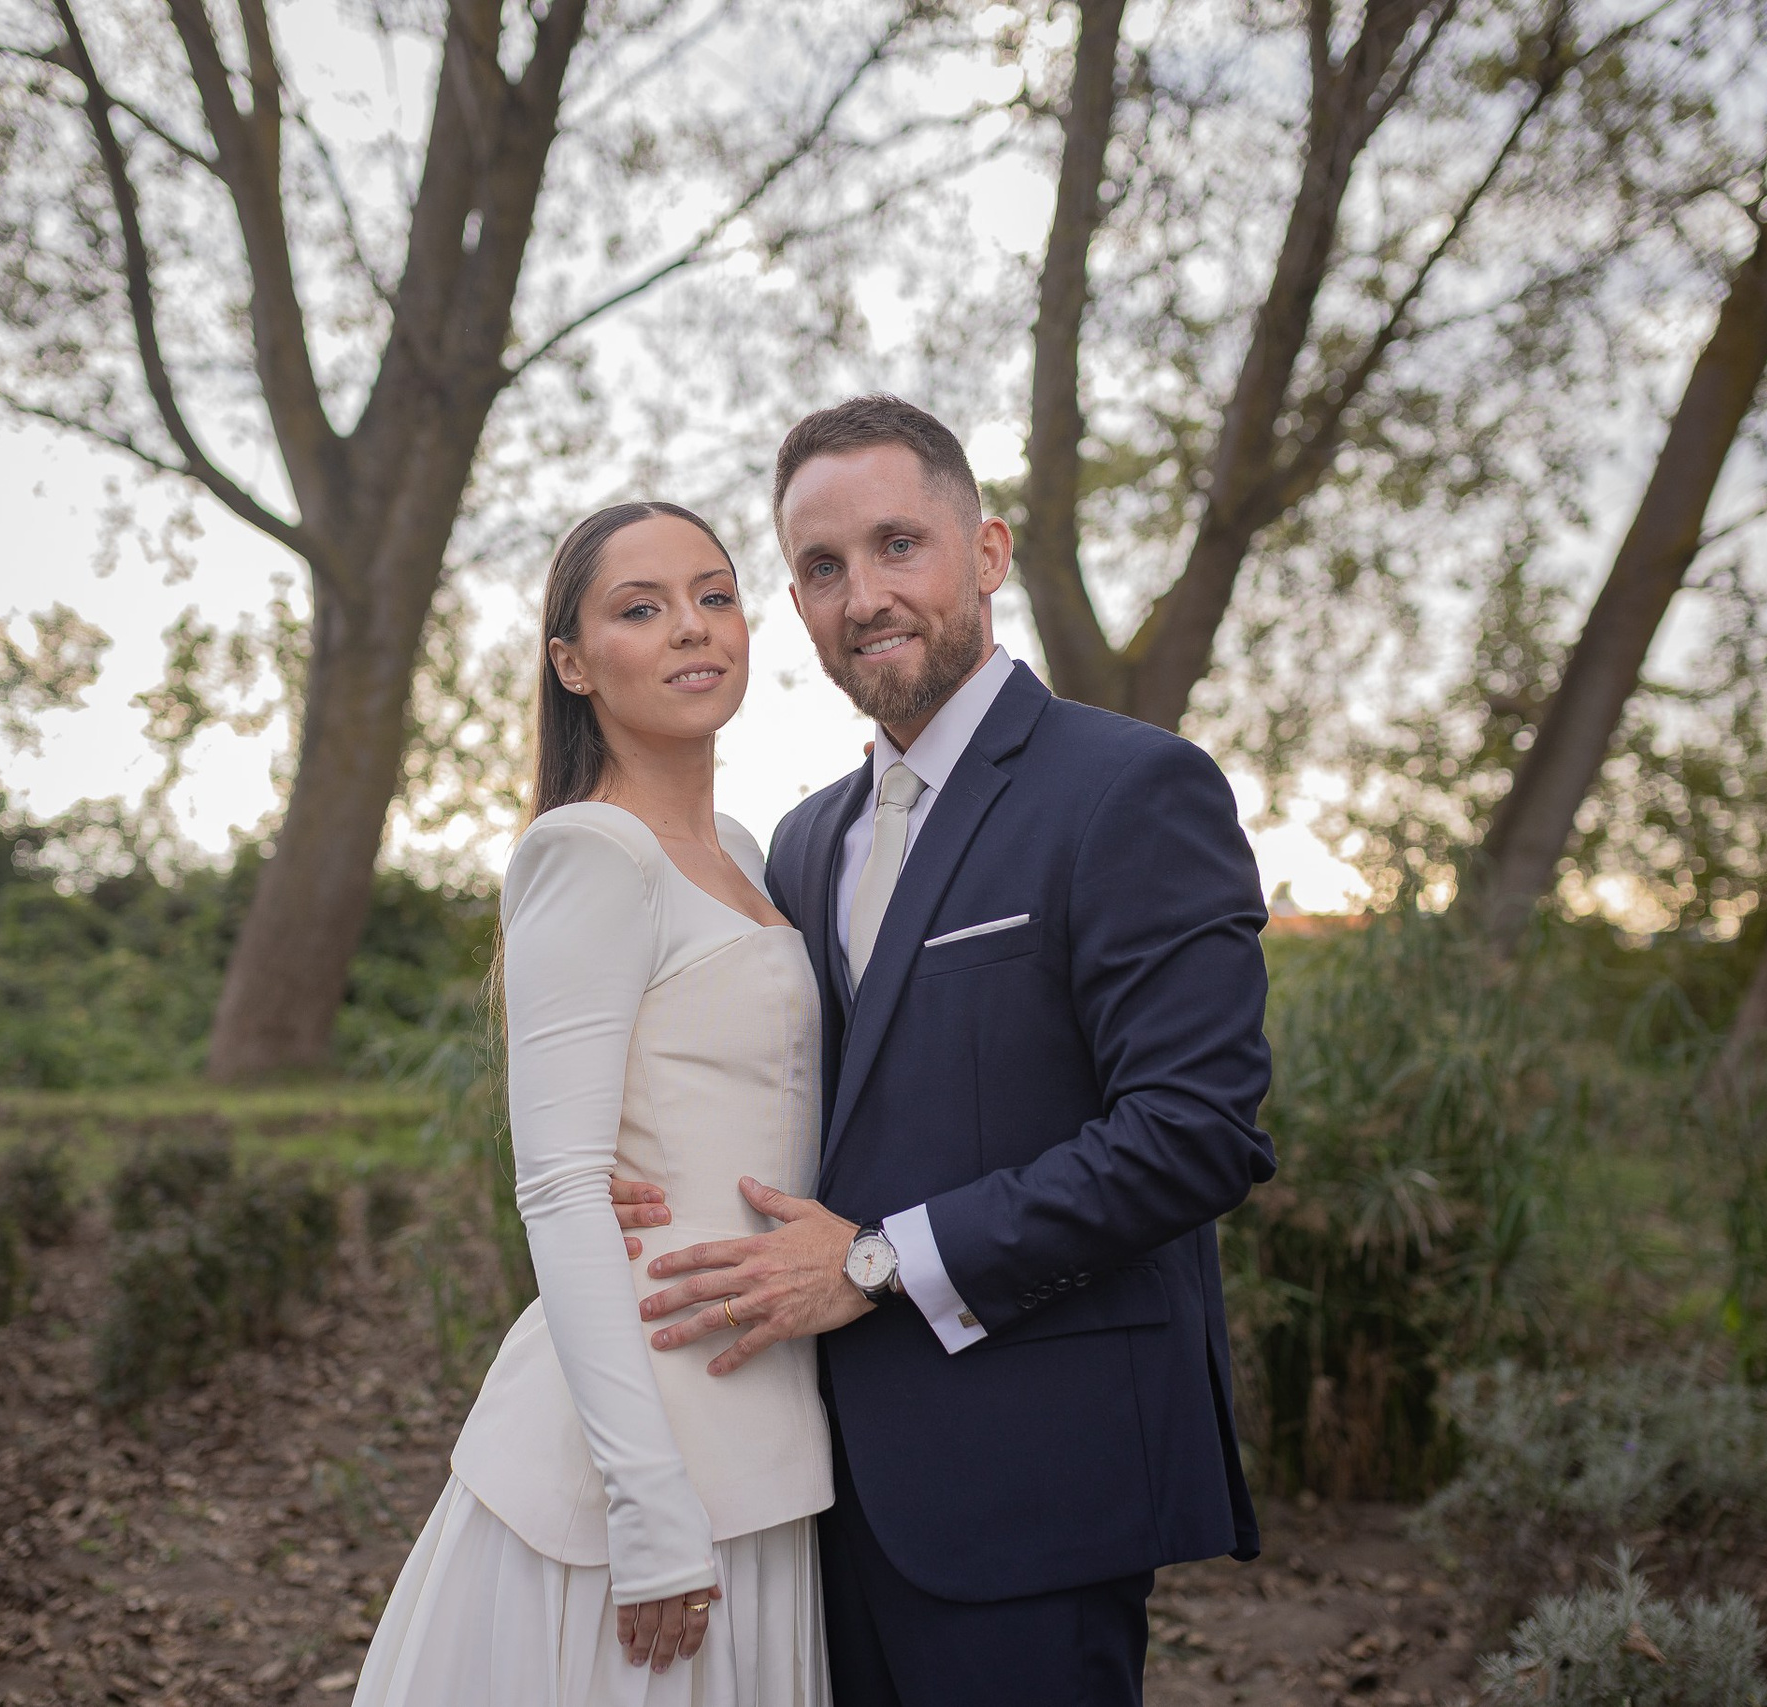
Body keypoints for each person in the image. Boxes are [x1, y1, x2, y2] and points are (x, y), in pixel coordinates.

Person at [611, 395, 1279, 1706]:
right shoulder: (801, 842)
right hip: (816, 1478)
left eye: (898, 544)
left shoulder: (1133, 789)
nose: (865, 593)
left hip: (1036, 1475)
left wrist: (873, 1259)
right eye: (821, 567)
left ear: (986, 550)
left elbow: (1195, 1130)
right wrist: (648, 1178)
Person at [357, 501, 833, 1706]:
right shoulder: (588, 850)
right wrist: (649, 1505)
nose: (693, 628)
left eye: (714, 595)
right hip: (645, 1452)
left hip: (766, 1425)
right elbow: (562, 1188)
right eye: (641, 608)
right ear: (571, 664)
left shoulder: (741, 847)